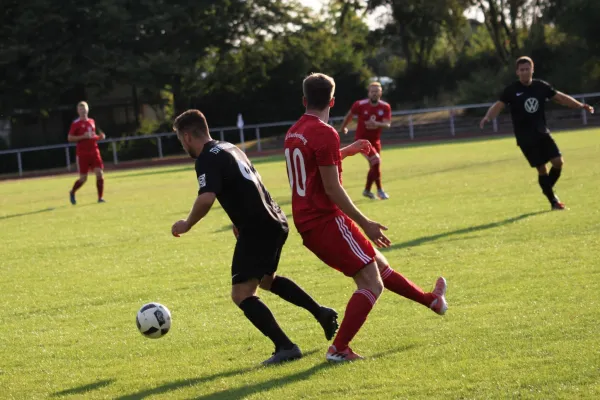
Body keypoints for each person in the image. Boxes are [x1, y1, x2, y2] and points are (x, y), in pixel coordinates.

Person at [285, 73, 447, 362]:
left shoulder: (295, 130)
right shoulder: (324, 132)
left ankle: (431, 301)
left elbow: (314, 166)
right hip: (325, 219)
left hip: (310, 219)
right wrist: (366, 223)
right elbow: (332, 188)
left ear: (303, 100)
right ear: (333, 101)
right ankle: (339, 349)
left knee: (380, 267)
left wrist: (346, 150)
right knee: (372, 284)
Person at [170, 109, 339, 365]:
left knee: (241, 293)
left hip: (258, 227)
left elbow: (206, 199)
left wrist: (187, 223)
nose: (183, 146)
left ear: (187, 135)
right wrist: (237, 222)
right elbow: (243, 185)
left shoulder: (205, 158)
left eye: (181, 140)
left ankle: (285, 346)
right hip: (275, 221)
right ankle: (322, 313)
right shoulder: (229, 147)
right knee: (267, 280)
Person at [480, 56, 594, 210]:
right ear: (517, 72)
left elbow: (560, 98)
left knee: (558, 162)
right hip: (525, 137)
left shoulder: (541, 86)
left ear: (532, 70)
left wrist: (581, 105)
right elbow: (498, 106)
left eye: (527, 69)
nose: (525, 72)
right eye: (522, 70)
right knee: (542, 169)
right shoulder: (511, 90)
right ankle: (553, 201)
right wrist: (488, 117)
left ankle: (546, 188)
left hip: (542, 132)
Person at [339, 82, 392, 200]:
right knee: (376, 160)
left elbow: (387, 124)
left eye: (377, 91)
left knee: (375, 165)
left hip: (375, 141)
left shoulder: (385, 106)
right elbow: (349, 115)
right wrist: (343, 127)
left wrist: (377, 124)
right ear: (368, 93)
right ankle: (379, 191)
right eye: (372, 91)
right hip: (361, 141)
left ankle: (367, 191)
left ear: (380, 92)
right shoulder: (360, 105)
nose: (374, 93)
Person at [67, 101, 106, 204]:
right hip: (83, 153)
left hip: (94, 151)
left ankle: (100, 198)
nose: (83, 111)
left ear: (87, 109)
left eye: (84, 109)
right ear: (78, 111)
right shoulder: (76, 123)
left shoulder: (92, 121)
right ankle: (72, 192)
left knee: (100, 174)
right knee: (83, 178)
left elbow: (92, 136)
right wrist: (82, 136)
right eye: (81, 109)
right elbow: (70, 138)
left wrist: (99, 137)